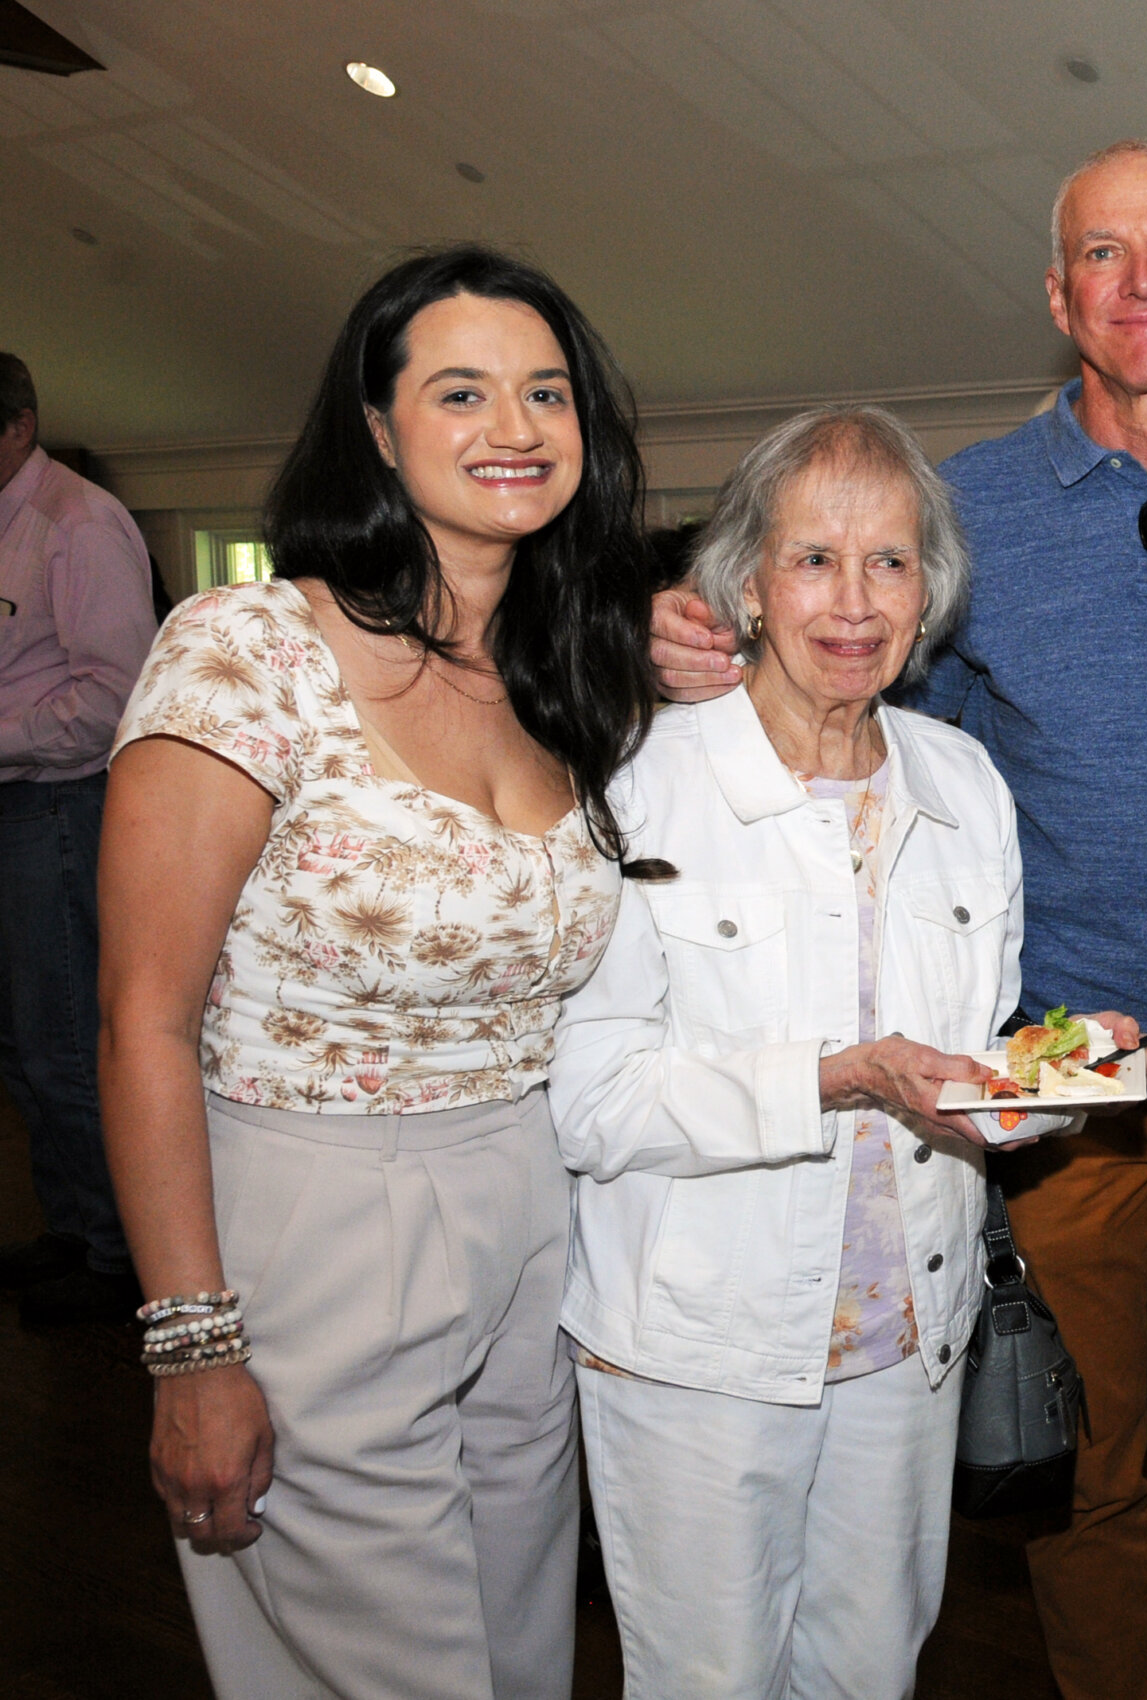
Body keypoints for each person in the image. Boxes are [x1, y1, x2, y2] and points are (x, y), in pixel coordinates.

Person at [646, 140, 1147, 1700]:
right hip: (1044, 1094)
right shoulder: (967, 510)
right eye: (1104, 255)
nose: (1143, 286)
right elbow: (849, 694)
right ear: (1055, 292)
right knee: (1081, 1467)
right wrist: (709, 638)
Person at [95, 248, 658, 1699]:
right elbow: (140, 1020)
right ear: (378, 424)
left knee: (524, 1649)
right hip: (318, 1205)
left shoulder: (567, 668)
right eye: (460, 392)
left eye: (546, 392)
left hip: (528, 1208)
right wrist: (190, 1349)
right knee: (380, 1669)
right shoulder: (249, 650)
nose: (513, 426)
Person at [551, 404, 1147, 1697]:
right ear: (747, 585)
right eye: (814, 557)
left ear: (929, 590)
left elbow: (966, 1068)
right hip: (701, 1351)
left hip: (905, 1340)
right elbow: (589, 1101)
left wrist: (1053, 1072)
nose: (854, 598)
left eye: (890, 560)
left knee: (873, 1674)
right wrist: (835, 1075)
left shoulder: (961, 784)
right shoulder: (643, 783)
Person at [0, 351, 157, 1325]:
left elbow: (114, 697)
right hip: (16, 803)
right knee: (19, 1047)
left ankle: (119, 1259)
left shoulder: (80, 522)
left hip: (60, 805)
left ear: (17, 425)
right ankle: (72, 1227)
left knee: (64, 1043)